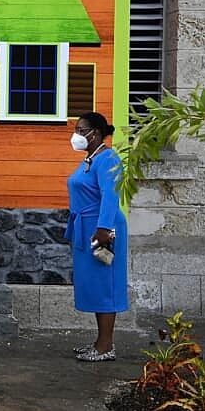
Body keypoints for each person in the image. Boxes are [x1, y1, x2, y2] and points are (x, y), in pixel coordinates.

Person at [66, 111, 129, 362]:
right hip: (87, 227)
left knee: (105, 284)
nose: (77, 135)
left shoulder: (108, 158)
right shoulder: (91, 159)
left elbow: (110, 196)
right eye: (76, 130)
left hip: (103, 229)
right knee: (93, 284)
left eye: (81, 130)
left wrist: (103, 229)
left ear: (96, 133)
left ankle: (105, 347)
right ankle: (100, 342)